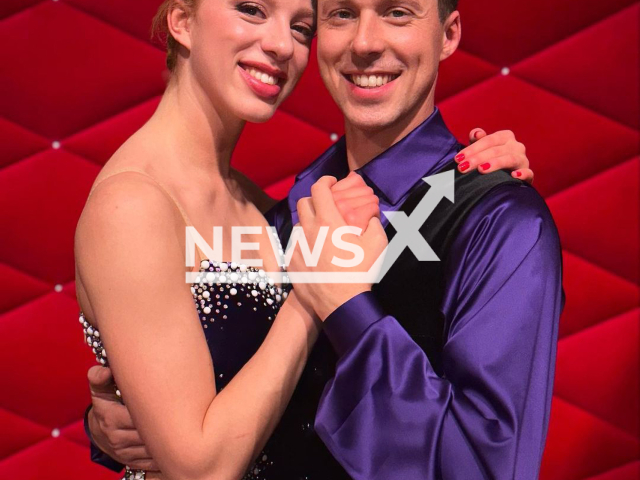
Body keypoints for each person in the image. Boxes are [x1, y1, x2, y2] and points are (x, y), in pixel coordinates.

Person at [82, 1, 547, 480]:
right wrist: (130, 421)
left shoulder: (493, 218)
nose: (283, 44)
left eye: (300, 26)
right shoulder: (297, 210)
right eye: (342, 14)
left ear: (448, 35)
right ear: (181, 20)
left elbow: (491, 465)